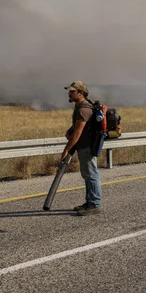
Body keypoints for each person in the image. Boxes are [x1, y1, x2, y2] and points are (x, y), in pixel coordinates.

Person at [61, 81, 102, 216]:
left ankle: (95, 204)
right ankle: (89, 202)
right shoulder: (79, 107)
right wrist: (69, 131)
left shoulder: (84, 109)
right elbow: (76, 128)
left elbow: (78, 133)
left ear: (80, 93)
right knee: (87, 175)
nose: (69, 93)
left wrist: (66, 150)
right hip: (83, 147)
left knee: (91, 175)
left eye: (72, 91)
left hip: (87, 147)